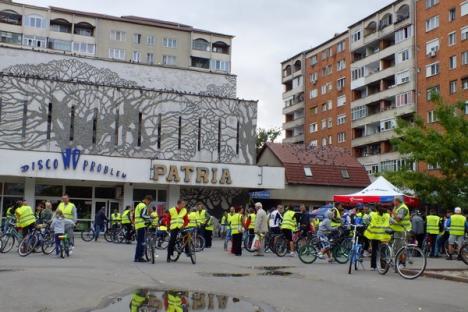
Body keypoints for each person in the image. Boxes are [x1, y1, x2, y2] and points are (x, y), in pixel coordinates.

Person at [364, 204, 391, 270]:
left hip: (374, 235)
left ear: (376, 209)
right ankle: (383, 267)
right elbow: (391, 222)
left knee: (374, 251)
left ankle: (373, 266)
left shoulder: (372, 214)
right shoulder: (387, 215)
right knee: (383, 251)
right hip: (383, 235)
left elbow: (366, 220)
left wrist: (370, 224)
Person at [134, 195, 152, 262]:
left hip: (138, 225)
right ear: (147, 200)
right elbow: (143, 215)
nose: (149, 204)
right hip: (141, 225)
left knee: (139, 242)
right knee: (142, 242)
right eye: (149, 202)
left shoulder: (138, 205)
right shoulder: (143, 206)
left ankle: (137, 257)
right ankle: (140, 257)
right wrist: (150, 218)